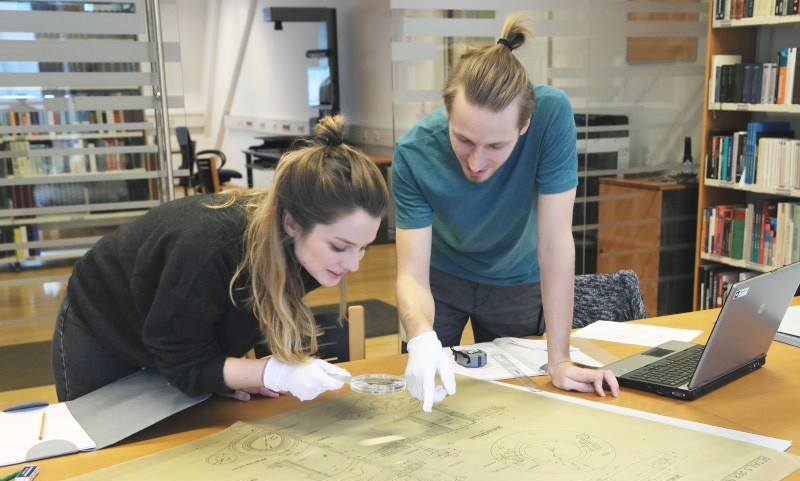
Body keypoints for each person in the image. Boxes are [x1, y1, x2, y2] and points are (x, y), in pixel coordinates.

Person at [52, 114, 389, 403]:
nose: (354, 265)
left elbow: (231, 319)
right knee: (102, 449)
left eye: (364, 247)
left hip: (172, 325)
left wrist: (244, 375)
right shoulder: (210, 248)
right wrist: (269, 372)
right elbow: (181, 362)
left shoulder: (306, 251)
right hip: (104, 321)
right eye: (340, 247)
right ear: (291, 223)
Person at [392, 15, 619, 411]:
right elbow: (411, 274)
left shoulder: (551, 116)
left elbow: (554, 243)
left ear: (524, 125)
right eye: (463, 139)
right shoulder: (414, 152)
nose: (477, 161)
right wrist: (421, 337)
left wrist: (560, 360)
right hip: (439, 280)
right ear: (447, 113)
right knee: (424, 397)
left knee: (518, 403)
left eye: (496, 145)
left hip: (516, 278)